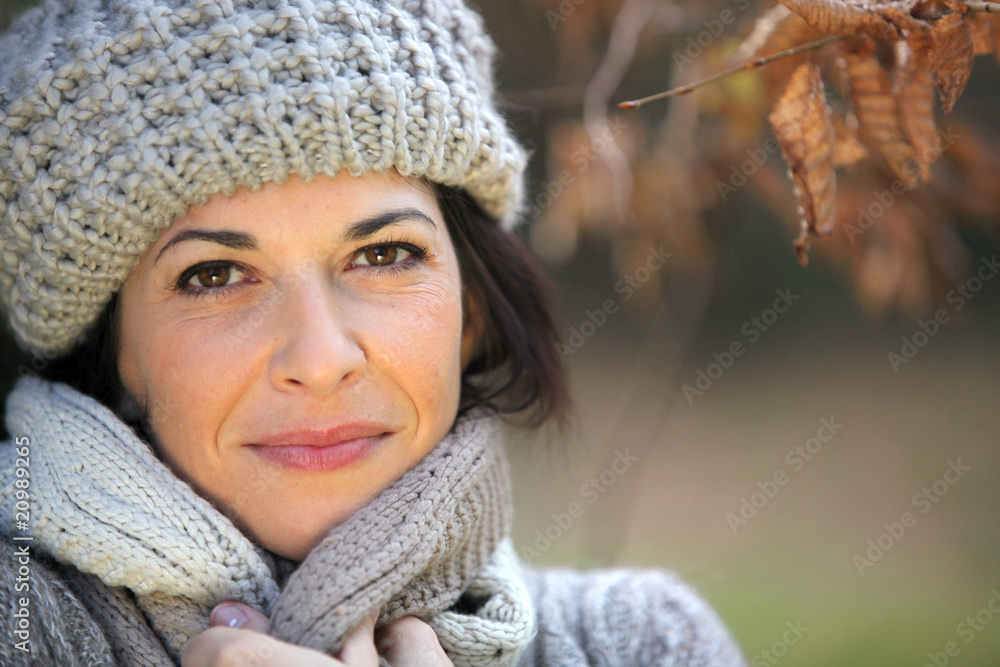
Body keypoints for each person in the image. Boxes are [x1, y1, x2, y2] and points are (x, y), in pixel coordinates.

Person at [0, 0, 746, 665]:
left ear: (471, 310)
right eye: (216, 275)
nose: (321, 360)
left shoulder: (646, 643)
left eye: (384, 255)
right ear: (116, 352)